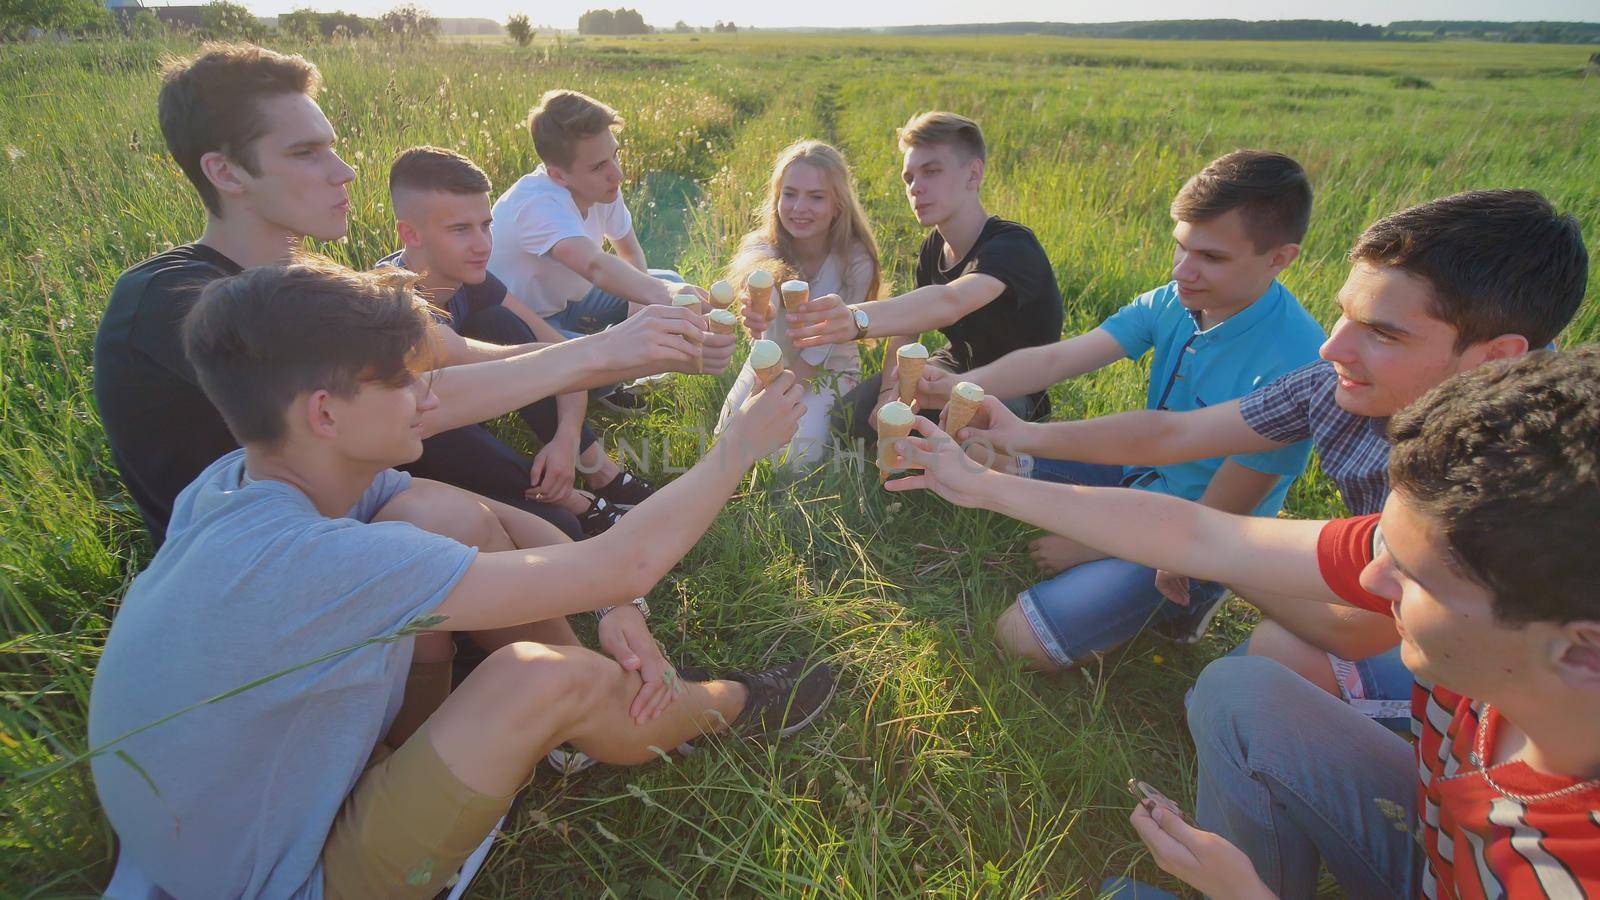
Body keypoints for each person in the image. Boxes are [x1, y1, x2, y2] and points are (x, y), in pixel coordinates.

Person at [87, 260, 836, 899]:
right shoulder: (313, 561)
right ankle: (732, 705)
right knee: (540, 680)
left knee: (438, 510)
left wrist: (610, 601)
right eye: (406, 384)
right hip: (275, 879)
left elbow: (511, 528)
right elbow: (627, 557)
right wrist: (735, 451)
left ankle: (551, 737)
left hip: (217, 826)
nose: (430, 398)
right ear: (324, 413)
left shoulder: (238, 484)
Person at [889, 346, 1600, 898]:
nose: (1375, 582)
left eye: (1410, 579)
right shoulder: (1484, 570)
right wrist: (980, 484)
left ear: (1580, 653)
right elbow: (1204, 537)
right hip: (1442, 846)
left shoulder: (1566, 868)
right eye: (1385, 547)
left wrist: (1246, 892)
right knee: (1240, 689)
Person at [956, 189, 1586, 724]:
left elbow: (1356, 625)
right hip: (1380, 599)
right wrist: (1025, 436)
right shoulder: (1344, 378)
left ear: (1498, 358)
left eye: (1383, 332)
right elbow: (1172, 436)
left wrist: (1208, 552)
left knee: (1241, 696)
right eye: (1345, 315)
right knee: (1254, 668)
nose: (1332, 348)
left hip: (1513, 703)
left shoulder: (1517, 477)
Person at [92, 44, 726, 546]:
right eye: (306, 153)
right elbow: (405, 405)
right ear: (225, 172)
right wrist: (604, 353)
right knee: (509, 508)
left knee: (491, 370)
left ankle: (575, 507)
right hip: (261, 560)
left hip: (349, 498)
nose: (343, 171)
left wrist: (630, 351)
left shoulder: (302, 276)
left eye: (333, 148)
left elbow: (451, 357)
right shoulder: (173, 301)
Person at [918, 150, 1326, 669]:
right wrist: (961, 387)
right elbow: (1061, 358)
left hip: (1201, 528)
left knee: (1020, 639)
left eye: (1212, 257)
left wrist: (1095, 544)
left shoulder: (1298, 365)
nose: (1184, 271)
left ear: (1279, 259)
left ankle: (1196, 594)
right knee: (978, 446)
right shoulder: (1176, 298)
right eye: (1181, 247)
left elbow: (1214, 518)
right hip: (1138, 470)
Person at [378, 146, 661, 535]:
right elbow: (544, 361)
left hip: (466, 411)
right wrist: (618, 352)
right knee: (562, 525)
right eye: (460, 230)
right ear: (410, 233)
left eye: (486, 225)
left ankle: (601, 475)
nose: (482, 244)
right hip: (409, 454)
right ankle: (566, 500)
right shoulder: (394, 304)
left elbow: (556, 350)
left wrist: (566, 440)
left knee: (500, 321)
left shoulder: (470, 279)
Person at [783, 111, 1064, 442]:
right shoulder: (934, 247)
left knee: (950, 440)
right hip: (950, 367)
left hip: (1011, 388)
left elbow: (951, 301)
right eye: (909, 178)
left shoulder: (1013, 245)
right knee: (851, 419)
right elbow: (908, 328)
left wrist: (856, 318)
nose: (916, 188)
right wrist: (891, 390)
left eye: (931, 172)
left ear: (973, 174)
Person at [487, 89, 708, 412]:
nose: (617, 173)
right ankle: (597, 386)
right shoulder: (536, 203)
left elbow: (630, 256)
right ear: (557, 175)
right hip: (520, 323)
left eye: (616, 155)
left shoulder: (604, 187)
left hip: (571, 299)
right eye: (599, 165)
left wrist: (643, 307)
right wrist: (664, 295)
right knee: (595, 361)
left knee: (665, 282)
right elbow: (594, 265)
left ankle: (605, 374)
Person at [714, 139, 882, 468]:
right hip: (770, 366)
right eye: (789, 194)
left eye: (816, 197)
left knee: (792, 458)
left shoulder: (855, 261)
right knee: (727, 444)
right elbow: (761, 288)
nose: (798, 207)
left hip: (829, 369)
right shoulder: (763, 248)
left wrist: (776, 398)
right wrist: (759, 312)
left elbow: (824, 349)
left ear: (838, 205)